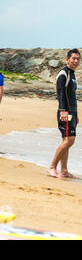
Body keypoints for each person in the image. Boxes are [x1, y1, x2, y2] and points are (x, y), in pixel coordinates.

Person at [48, 49, 81, 179]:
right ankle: (51, 167)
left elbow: (71, 96)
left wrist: (75, 114)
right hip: (65, 112)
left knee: (66, 141)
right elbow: (61, 93)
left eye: (78, 59)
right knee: (69, 140)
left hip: (72, 112)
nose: (76, 61)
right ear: (67, 59)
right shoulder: (63, 73)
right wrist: (63, 110)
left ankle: (64, 170)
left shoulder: (72, 74)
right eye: (73, 58)